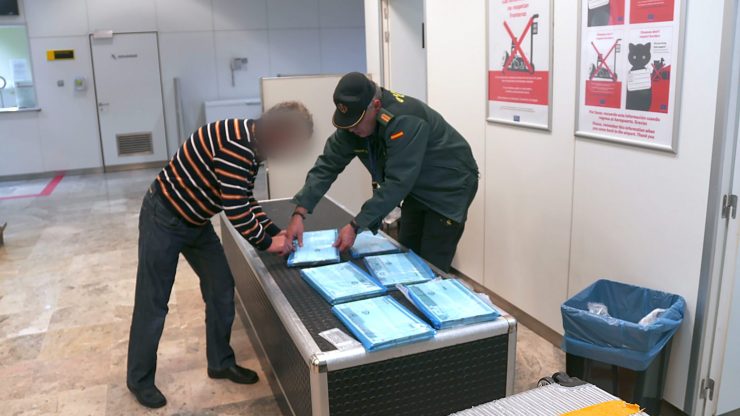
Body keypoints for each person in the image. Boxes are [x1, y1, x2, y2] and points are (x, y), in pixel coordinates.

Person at [126, 102, 313, 409]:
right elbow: (235, 209)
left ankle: (220, 362)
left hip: (196, 221)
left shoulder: (254, 144)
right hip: (164, 217)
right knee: (153, 301)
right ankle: (139, 379)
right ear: (279, 133)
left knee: (221, 287)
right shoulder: (237, 144)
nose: (290, 151)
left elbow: (244, 197)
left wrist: (274, 230)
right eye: (292, 144)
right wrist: (268, 243)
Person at [286, 72, 479, 272]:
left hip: (449, 187)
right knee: (407, 253)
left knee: (431, 264)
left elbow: (397, 182)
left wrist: (355, 225)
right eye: (347, 122)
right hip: (416, 187)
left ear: (376, 106)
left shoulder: (404, 120)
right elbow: (327, 165)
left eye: (356, 122)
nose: (351, 129)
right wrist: (299, 213)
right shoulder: (353, 124)